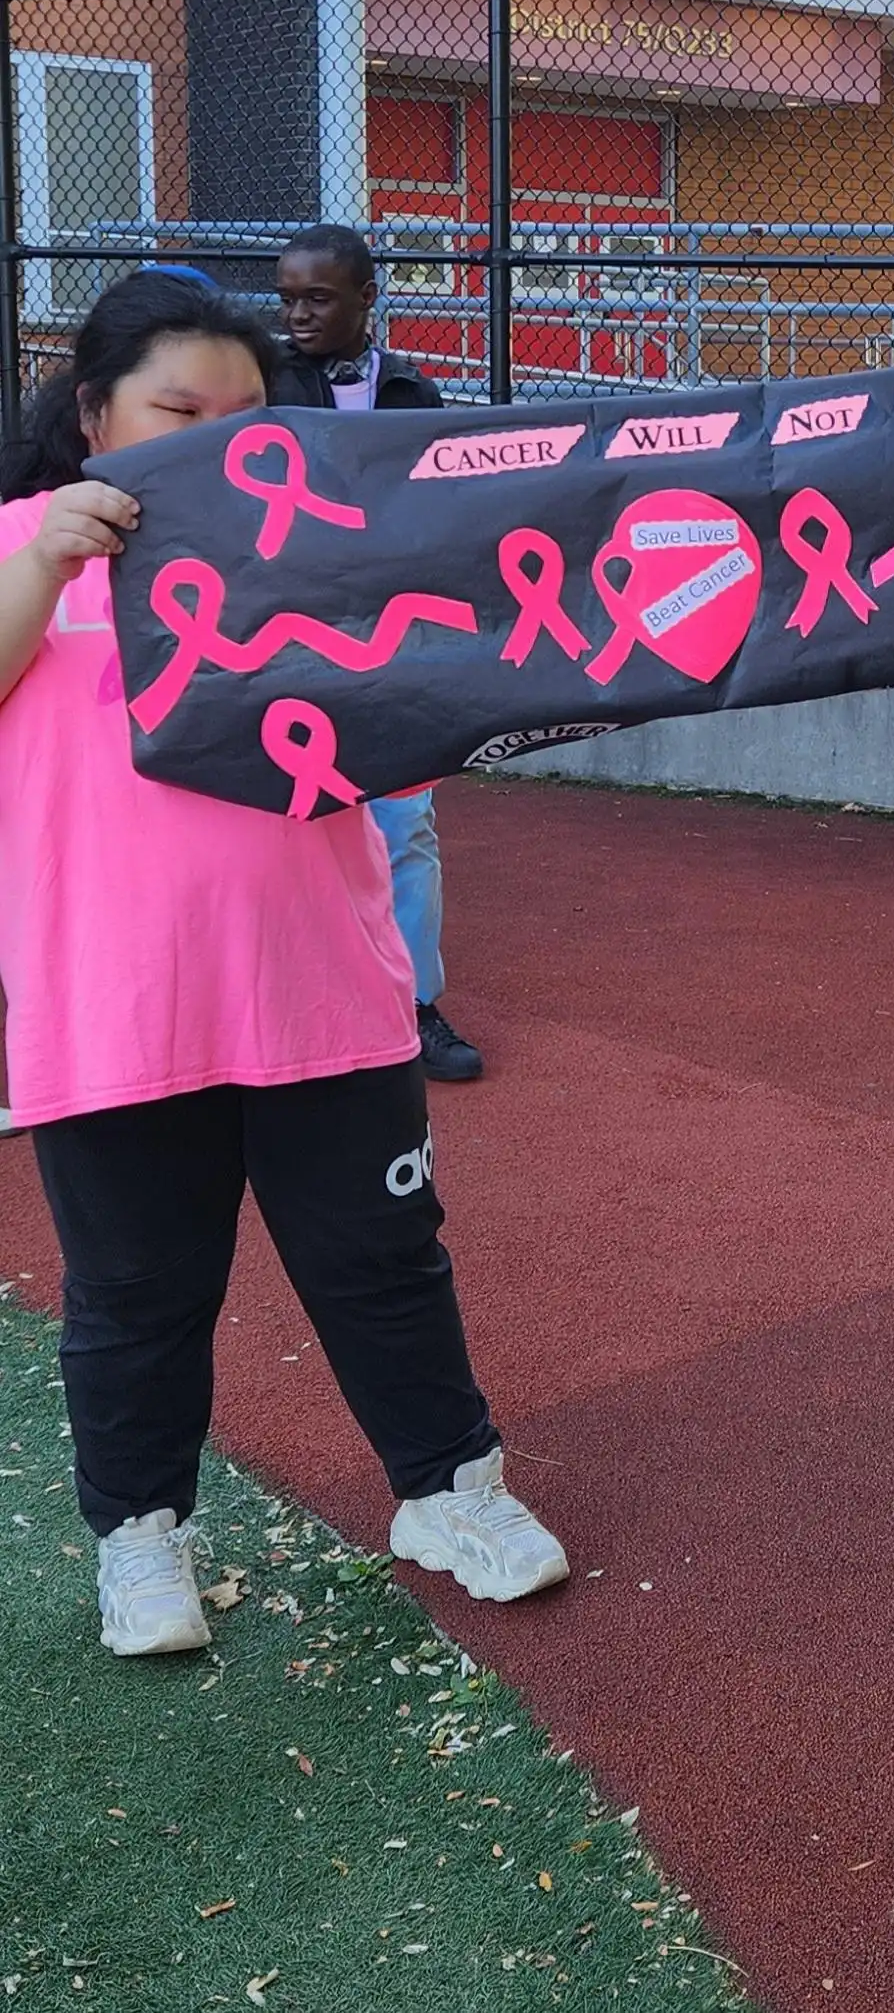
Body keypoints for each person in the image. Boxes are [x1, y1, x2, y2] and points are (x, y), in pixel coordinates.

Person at [0, 270, 566, 1656]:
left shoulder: (325, 545)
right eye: (174, 410)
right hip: (115, 1010)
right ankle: (141, 1538)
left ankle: (449, 1489)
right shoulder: (23, 542)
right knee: (134, 1291)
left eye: (242, 414)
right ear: (93, 415)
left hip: (321, 992)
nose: (211, 439)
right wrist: (42, 564)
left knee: (384, 1262)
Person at [272, 224, 483, 1086]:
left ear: (367, 296)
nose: (297, 315)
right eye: (286, 297)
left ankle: (413, 1004)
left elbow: (445, 511)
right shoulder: (261, 388)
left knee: (404, 823)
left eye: (317, 298)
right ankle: (292, 1007)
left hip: (394, 643)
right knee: (283, 824)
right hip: (288, 640)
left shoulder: (411, 392)